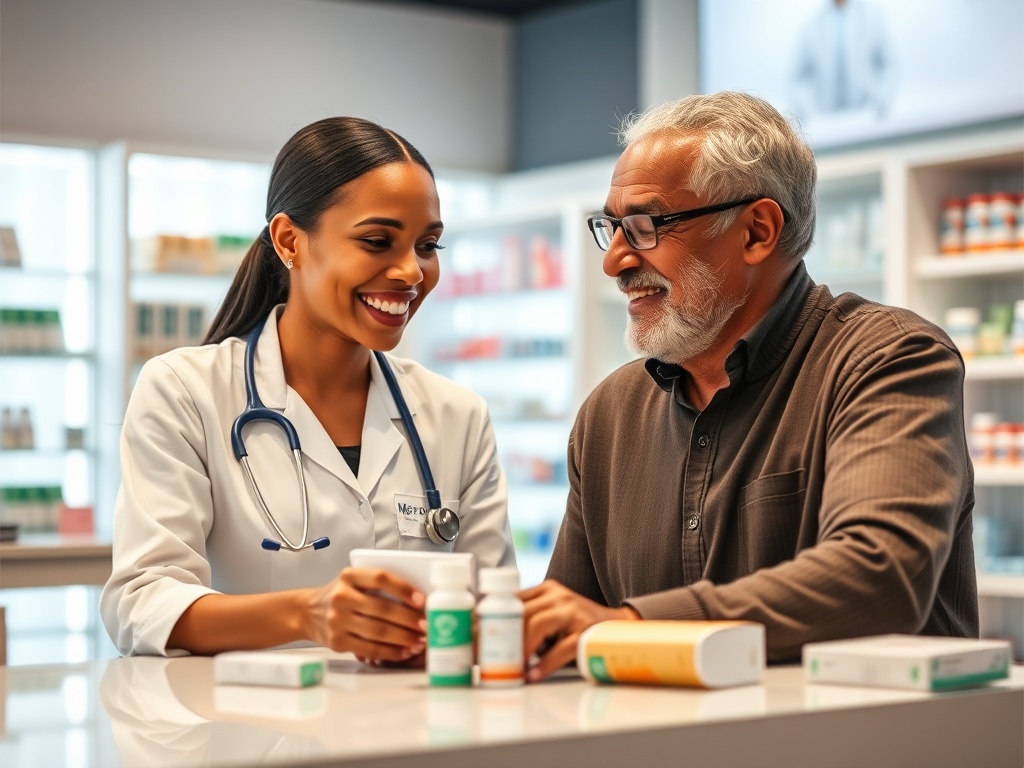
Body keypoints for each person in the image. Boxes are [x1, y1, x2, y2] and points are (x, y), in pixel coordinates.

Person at [521, 91, 977, 681]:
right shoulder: (610, 413)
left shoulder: (888, 360)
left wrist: (637, 626)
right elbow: (568, 635)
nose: (614, 262)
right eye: (610, 228)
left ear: (757, 231)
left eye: (643, 227)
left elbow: (880, 578)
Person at [101, 117, 515, 659]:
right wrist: (307, 614)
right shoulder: (185, 391)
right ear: (289, 240)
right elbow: (142, 602)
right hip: (244, 734)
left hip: (414, 729)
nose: (412, 272)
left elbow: (492, 609)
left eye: (428, 245)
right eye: (377, 241)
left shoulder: (457, 415)